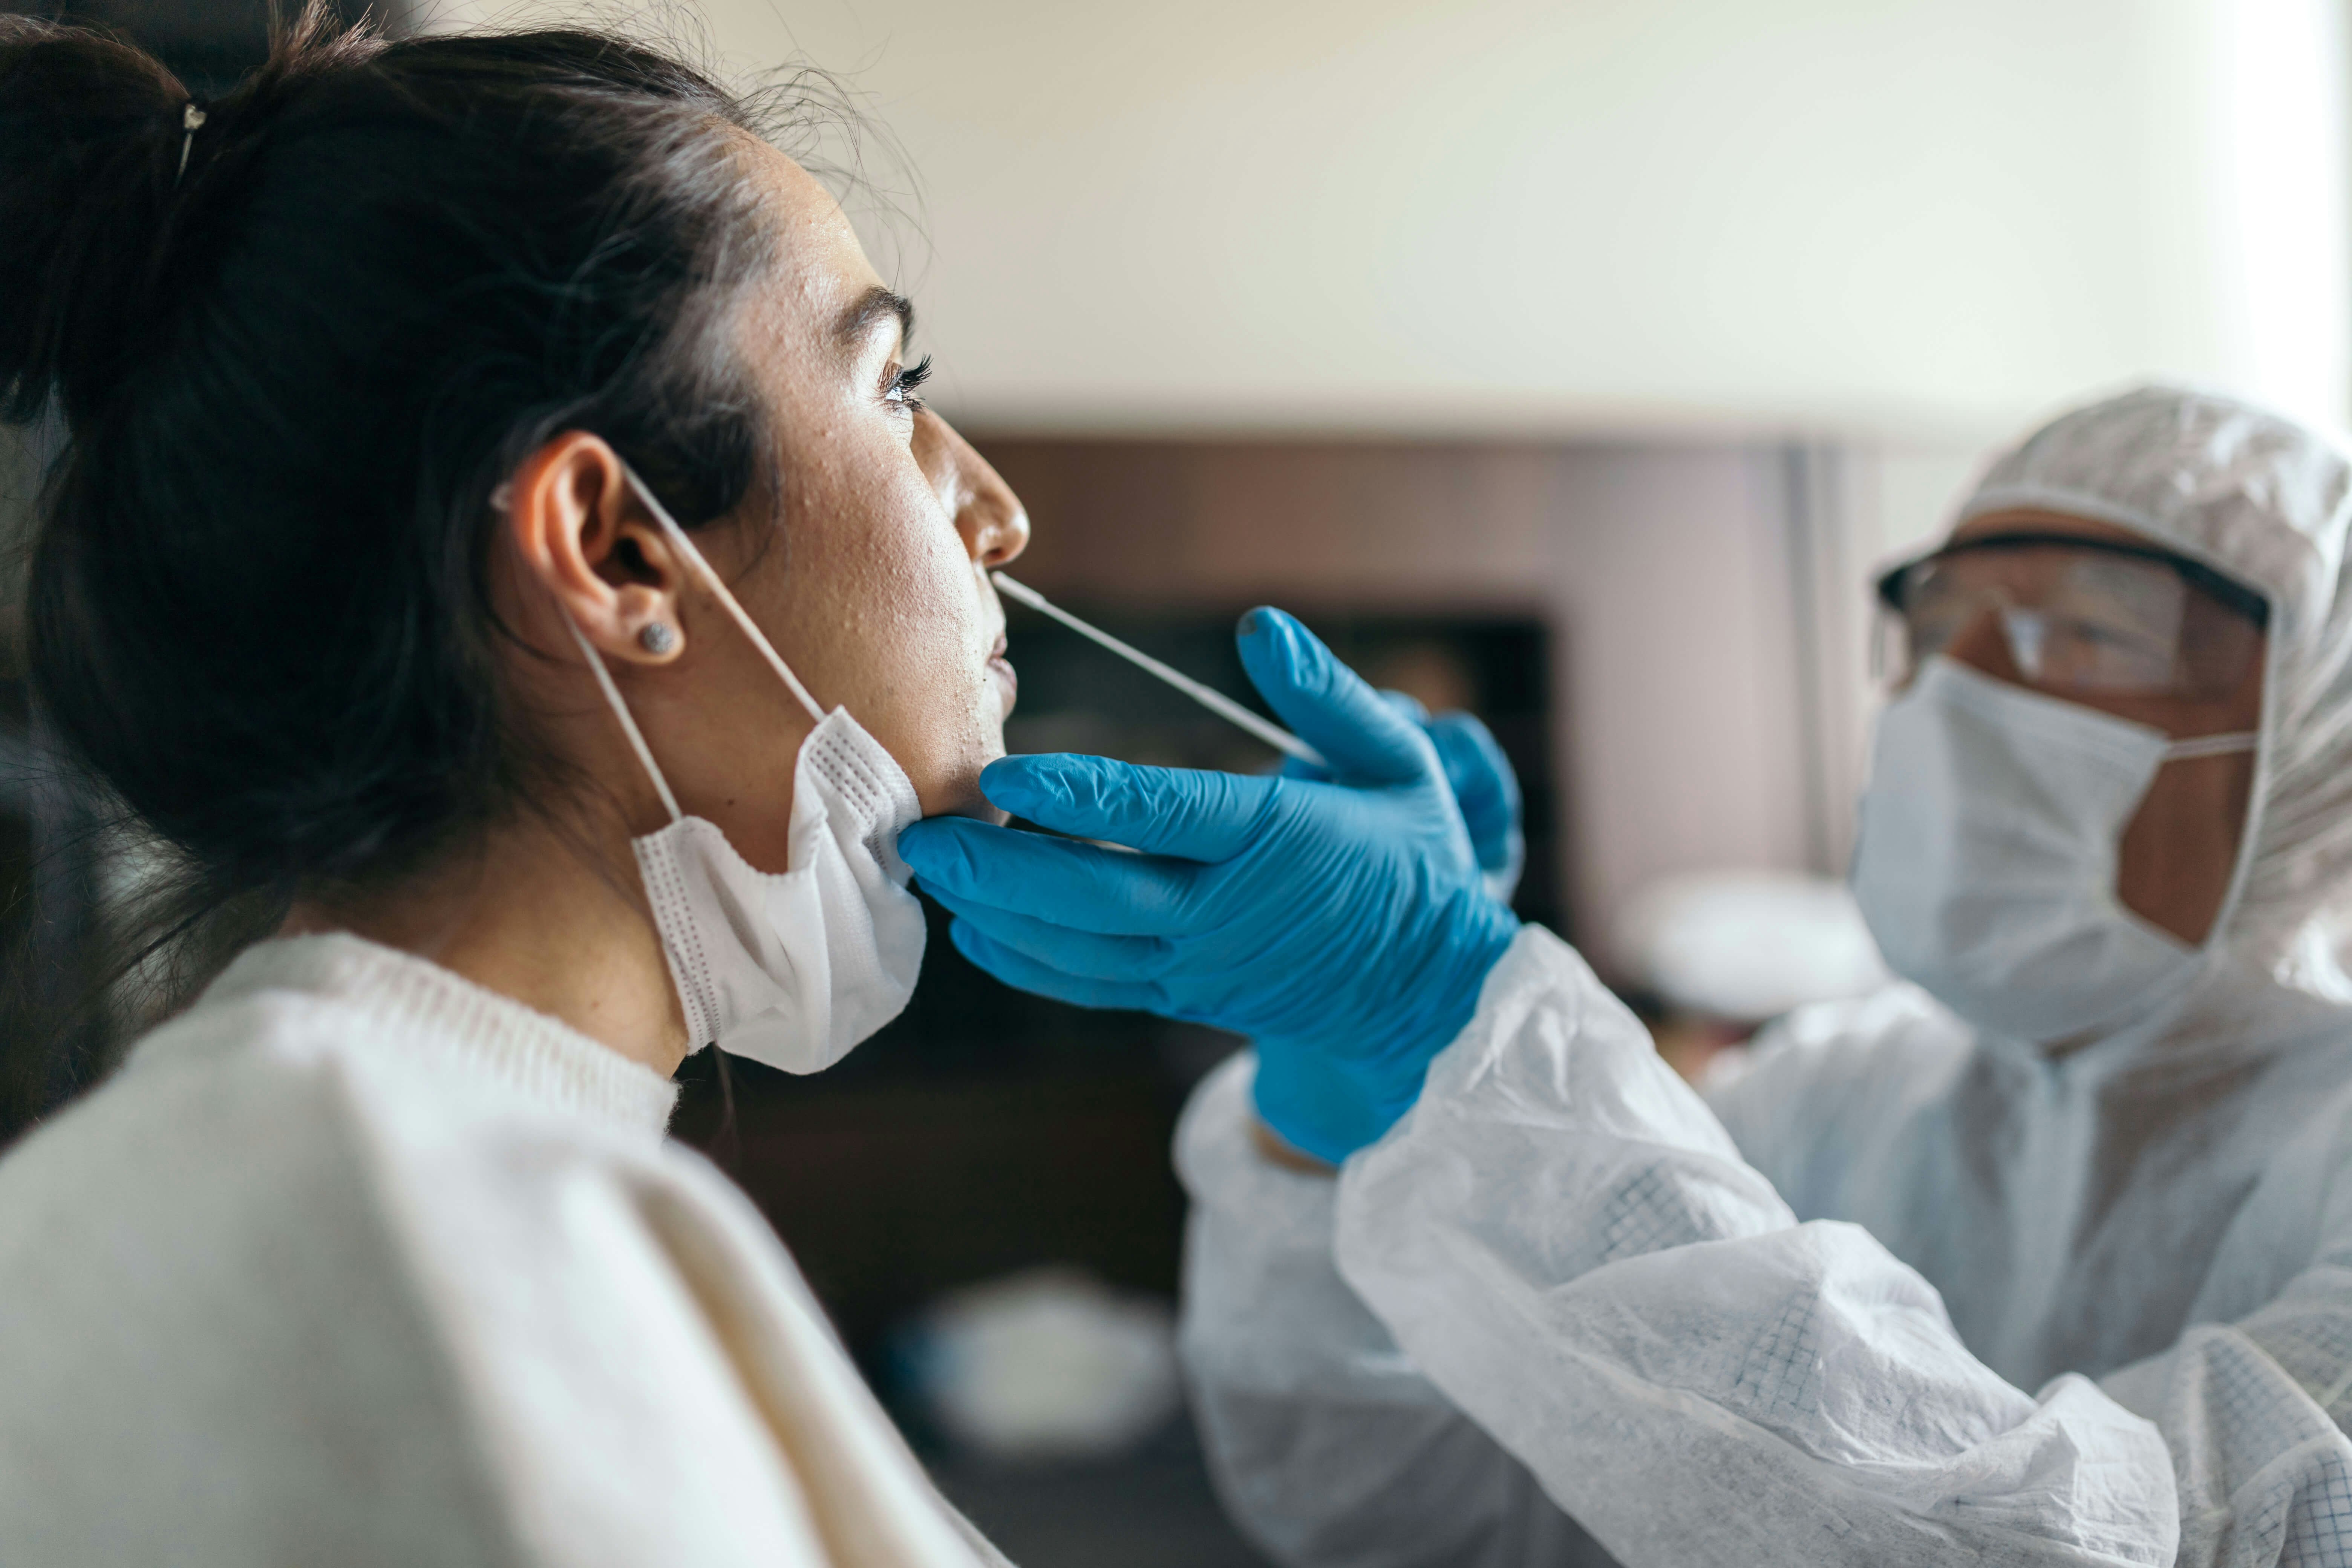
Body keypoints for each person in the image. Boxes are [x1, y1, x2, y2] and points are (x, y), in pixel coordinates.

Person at [906, 384, 2352, 1566]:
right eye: (1936, 626)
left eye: (2081, 634)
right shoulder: (1836, 1095)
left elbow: (2091, 1547)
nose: (1953, 694)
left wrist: (1452, 1003)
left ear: (2318, 737)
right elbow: (1423, 1519)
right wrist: (1341, 1112)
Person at [0, 12, 1072, 1564]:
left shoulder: (336, 1162)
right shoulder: (429, 1248)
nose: (1000, 512)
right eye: (894, 384)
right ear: (621, 552)